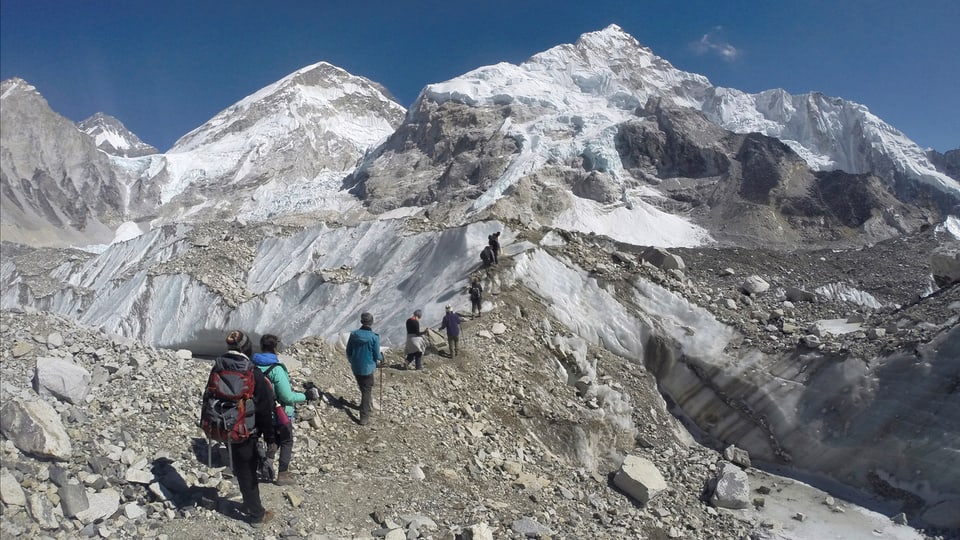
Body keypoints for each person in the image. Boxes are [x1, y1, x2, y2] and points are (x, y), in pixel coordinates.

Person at [217, 330, 276, 525]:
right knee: (248, 470)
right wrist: (270, 437)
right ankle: (256, 514)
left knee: (240, 466)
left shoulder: (218, 367)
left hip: (225, 426)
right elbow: (266, 408)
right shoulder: (252, 372)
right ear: (246, 347)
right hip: (246, 429)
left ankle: (249, 503)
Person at [253, 334, 318, 486]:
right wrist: (305, 396)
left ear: (262, 347)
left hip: (259, 413)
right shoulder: (276, 370)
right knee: (286, 440)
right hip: (279, 413)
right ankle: (283, 474)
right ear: (276, 348)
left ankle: (266, 462)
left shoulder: (253, 367)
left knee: (272, 439)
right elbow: (287, 396)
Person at [345, 312, 383, 425]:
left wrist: (353, 360)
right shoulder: (374, 337)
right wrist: (382, 357)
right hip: (368, 368)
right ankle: (364, 415)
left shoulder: (354, 334)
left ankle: (367, 405)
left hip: (356, 366)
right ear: (371, 322)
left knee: (363, 388)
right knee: (367, 390)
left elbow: (348, 351)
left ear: (362, 322)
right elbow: (377, 355)